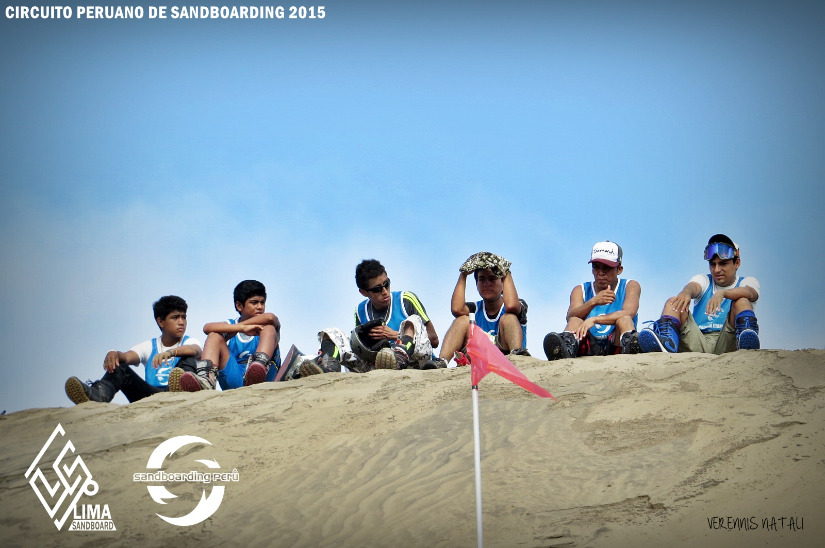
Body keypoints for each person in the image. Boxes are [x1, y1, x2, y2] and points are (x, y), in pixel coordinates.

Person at [300, 259, 439, 375]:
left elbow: (433, 340)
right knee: (332, 333)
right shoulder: (361, 310)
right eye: (377, 289)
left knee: (412, 321)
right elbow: (358, 349)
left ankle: (399, 357)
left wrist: (396, 336)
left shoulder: (406, 299)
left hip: (414, 364)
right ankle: (327, 367)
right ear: (364, 292)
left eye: (386, 284)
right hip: (379, 366)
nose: (384, 291)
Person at [64, 295, 203, 404]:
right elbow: (126, 357)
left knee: (189, 358)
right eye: (175, 317)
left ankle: (179, 387)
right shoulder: (149, 346)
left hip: (179, 394)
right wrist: (114, 353)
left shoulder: (189, 341)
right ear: (161, 321)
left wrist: (171, 352)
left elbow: (195, 349)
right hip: (151, 396)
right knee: (121, 368)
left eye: (184, 317)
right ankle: (97, 395)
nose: (181, 322)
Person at [638, 234, 760, 354]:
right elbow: (694, 286)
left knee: (742, 300)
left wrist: (723, 293)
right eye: (712, 264)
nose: (716, 269)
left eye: (723, 263)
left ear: (737, 263)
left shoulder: (747, 281)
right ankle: (666, 345)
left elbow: (750, 292)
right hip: (698, 340)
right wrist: (686, 292)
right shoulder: (705, 280)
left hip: (728, 342)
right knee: (674, 302)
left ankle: (747, 347)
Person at [426, 251, 528, 369]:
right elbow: (456, 309)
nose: (487, 284)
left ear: (503, 283)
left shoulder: (517, 304)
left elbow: (511, 306)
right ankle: (442, 362)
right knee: (462, 320)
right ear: (476, 284)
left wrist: (506, 272)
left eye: (492, 279)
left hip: (505, 359)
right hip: (479, 361)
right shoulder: (475, 308)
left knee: (509, 317)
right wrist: (463, 274)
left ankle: (517, 358)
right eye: (482, 279)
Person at [543, 241, 641, 360]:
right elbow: (570, 316)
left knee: (624, 320)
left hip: (616, 342)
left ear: (619, 269)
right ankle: (564, 352)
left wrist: (594, 319)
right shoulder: (581, 289)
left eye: (607, 268)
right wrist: (593, 302)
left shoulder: (630, 285)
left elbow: (629, 313)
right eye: (596, 267)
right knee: (575, 320)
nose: (601, 273)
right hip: (587, 344)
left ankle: (632, 350)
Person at [192, 280, 282, 391]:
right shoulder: (232, 324)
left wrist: (241, 326)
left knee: (268, 327)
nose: (260, 307)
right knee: (214, 336)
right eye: (254, 302)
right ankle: (205, 380)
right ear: (239, 306)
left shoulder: (269, 324)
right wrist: (241, 328)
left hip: (265, 379)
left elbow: (270, 317)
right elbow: (207, 328)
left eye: (262, 302)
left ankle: (259, 365)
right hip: (236, 380)